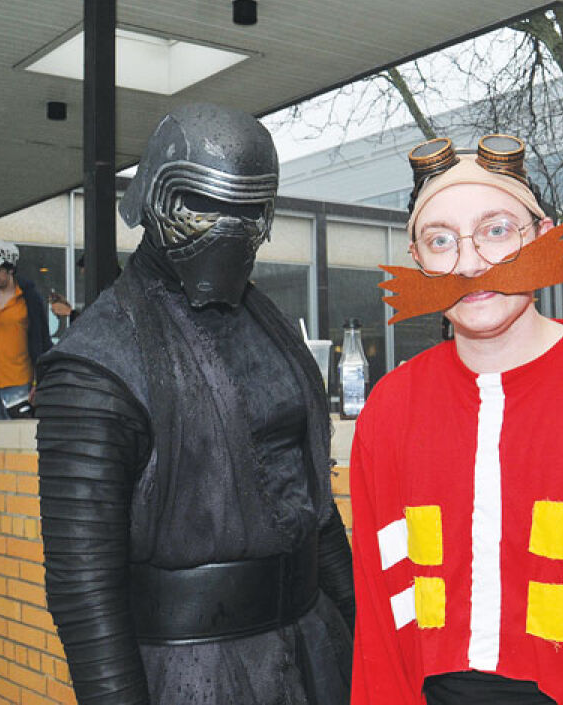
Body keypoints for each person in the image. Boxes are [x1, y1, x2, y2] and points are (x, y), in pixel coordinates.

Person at [348, 134, 563, 704]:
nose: (473, 262)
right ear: (416, 260)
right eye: (440, 241)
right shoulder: (389, 409)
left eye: (496, 230)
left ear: (540, 233)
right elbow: (378, 629)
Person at [34, 103, 354, 704]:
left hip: (315, 650)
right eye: (203, 205)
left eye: (245, 210)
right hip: (193, 677)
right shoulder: (99, 361)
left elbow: (313, 508)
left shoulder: (271, 328)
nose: (227, 228)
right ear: (155, 200)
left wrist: (364, 639)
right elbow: (84, 589)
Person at [0, 240, 51, 419]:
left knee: (20, 438)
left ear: (11, 269)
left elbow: (41, 339)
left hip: (19, 380)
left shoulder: (29, 299)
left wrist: (39, 381)